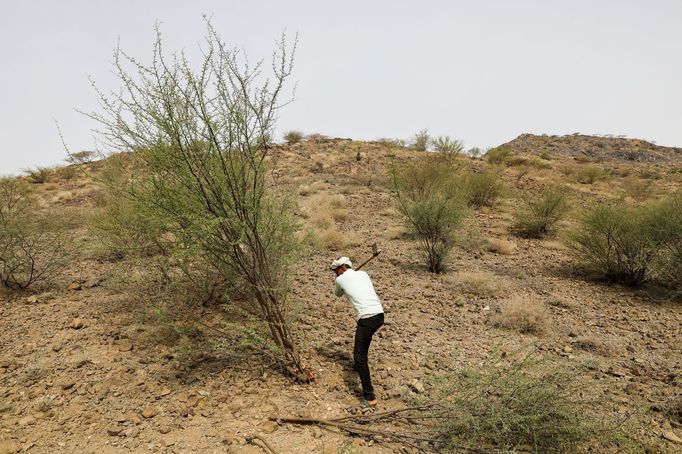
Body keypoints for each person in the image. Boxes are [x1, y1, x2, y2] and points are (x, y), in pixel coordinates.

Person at [331, 256, 384, 410]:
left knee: (359, 356)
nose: (335, 274)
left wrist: (340, 280)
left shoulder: (340, 280)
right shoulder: (363, 274)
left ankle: (370, 397)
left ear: (341, 268)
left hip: (367, 318)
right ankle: (359, 366)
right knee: (362, 345)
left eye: (336, 271)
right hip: (379, 315)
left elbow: (337, 294)